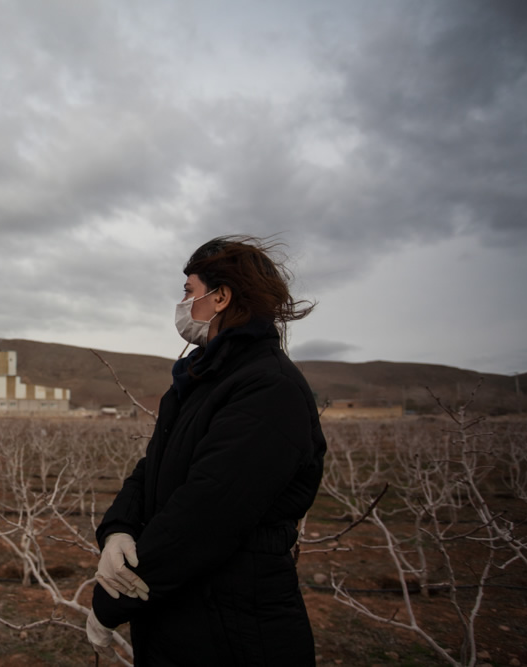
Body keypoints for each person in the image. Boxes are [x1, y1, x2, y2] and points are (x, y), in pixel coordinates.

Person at [86, 235, 327, 665]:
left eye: (188, 290)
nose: (182, 301)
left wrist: (110, 603)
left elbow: (207, 512)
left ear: (221, 297)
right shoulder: (203, 380)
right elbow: (153, 467)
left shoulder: (269, 387)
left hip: (237, 630)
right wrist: (119, 527)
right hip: (185, 617)